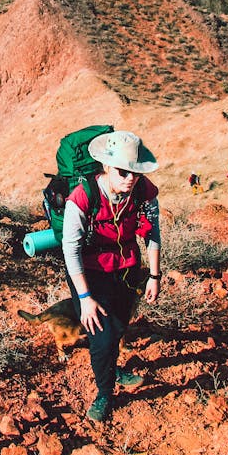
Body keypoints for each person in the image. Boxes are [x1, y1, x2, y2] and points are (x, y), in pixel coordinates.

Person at [62, 129, 161, 423]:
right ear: (107, 167)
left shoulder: (144, 191)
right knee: (102, 337)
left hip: (127, 268)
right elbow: (71, 249)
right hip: (91, 275)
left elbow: (153, 234)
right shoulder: (82, 197)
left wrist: (154, 275)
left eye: (135, 172)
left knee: (118, 326)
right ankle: (105, 392)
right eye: (123, 171)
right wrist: (84, 297)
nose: (130, 178)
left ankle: (111, 368)